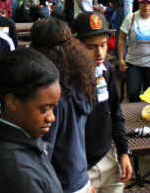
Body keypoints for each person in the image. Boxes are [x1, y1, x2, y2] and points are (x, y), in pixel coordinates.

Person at [0, 48, 63, 193]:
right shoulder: (17, 171)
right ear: (12, 102)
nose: (51, 117)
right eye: (44, 109)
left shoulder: (8, 143)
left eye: (53, 108)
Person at [32, 18, 96, 193]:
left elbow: (45, 149)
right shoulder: (83, 83)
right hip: (80, 176)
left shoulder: (51, 97)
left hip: (59, 184)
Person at [75, 12, 133, 193]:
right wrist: (76, 177)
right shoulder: (68, 78)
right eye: (91, 47)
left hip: (107, 158)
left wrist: (123, 152)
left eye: (103, 45)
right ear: (77, 46)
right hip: (81, 166)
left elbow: (115, 112)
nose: (99, 52)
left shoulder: (106, 70)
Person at [118, 0, 150, 102]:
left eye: (149, 3)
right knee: (133, 94)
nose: (146, 6)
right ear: (139, 4)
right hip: (134, 62)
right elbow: (121, 38)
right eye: (143, 3)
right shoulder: (131, 18)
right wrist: (121, 59)